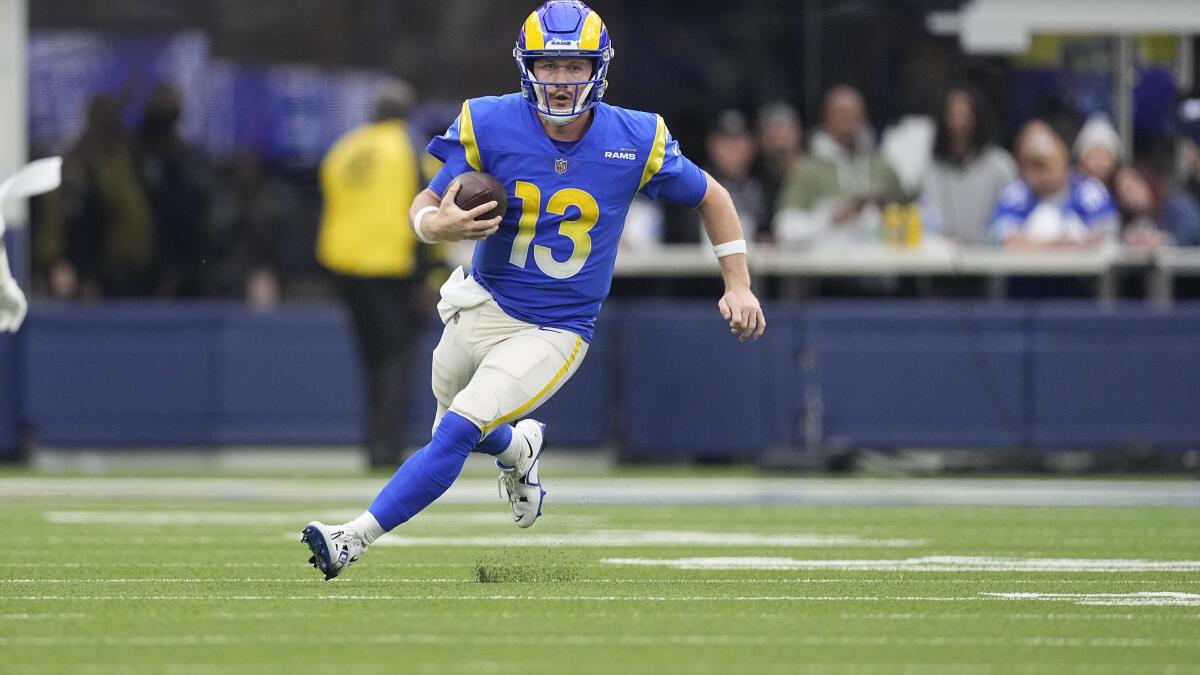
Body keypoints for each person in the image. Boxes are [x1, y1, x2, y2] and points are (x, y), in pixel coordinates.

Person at [301, 0, 765, 580]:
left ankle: (352, 538)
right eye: (550, 65)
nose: (563, 80)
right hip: (481, 301)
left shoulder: (636, 136)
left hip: (556, 326)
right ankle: (518, 450)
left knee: (456, 428)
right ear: (528, 67)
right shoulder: (489, 121)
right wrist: (434, 225)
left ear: (599, 68)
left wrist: (738, 284)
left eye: (576, 66)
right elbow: (425, 204)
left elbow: (712, 196)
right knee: (461, 426)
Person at [316, 80, 440, 469]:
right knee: (397, 359)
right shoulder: (409, 146)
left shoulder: (344, 148)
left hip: (346, 268)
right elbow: (428, 211)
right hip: (392, 267)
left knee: (370, 359)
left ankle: (373, 445)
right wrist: (430, 273)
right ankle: (387, 448)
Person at [773, 85, 906, 246]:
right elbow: (785, 228)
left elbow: (912, 211)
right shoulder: (807, 168)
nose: (848, 123)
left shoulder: (881, 165)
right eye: (841, 115)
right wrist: (832, 218)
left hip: (882, 263)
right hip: (827, 266)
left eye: (854, 115)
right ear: (826, 119)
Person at [134, 82, 213, 298]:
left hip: (183, 260)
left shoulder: (184, 158)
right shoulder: (135, 153)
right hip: (139, 263)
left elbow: (194, 213)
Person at [991, 120, 1117, 249]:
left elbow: (1107, 236)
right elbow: (1003, 239)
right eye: (1034, 167)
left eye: (1046, 166)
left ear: (1063, 164)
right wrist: (1057, 245)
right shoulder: (1016, 194)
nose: (1041, 175)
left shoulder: (1090, 191)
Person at [920, 87, 1016, 245]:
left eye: (965, 116)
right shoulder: (930, 168)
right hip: (942, 257)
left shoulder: (1000, 165)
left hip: (991, 258)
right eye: (952, 116)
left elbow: (1009, 219)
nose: (959, 124)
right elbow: (926, 215)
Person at [754, 101, 803, 229]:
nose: (779, 143)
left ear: (798, 134)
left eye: (784, 133)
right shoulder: (754, 178)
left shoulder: (811, 174)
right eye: (773, 135)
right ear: (762, 139)